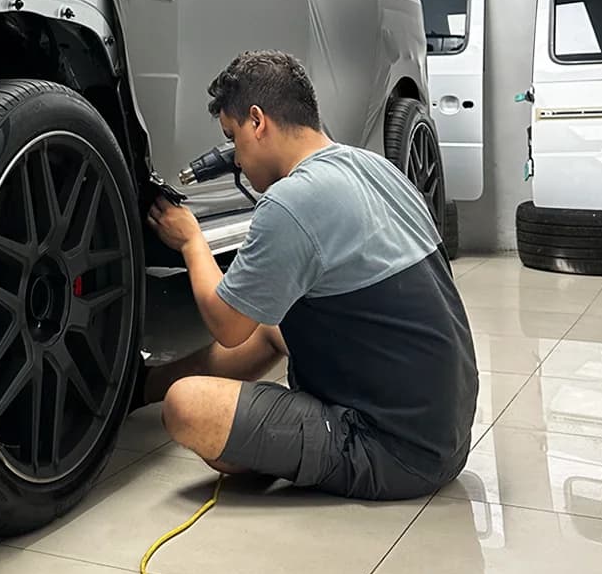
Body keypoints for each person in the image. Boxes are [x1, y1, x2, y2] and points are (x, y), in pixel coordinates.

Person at [141, 50, 479, 499]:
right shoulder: (376, 169)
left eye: (233, 137)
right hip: (445, 433)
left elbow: (226, 327)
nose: (236, 159)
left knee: (187, 407)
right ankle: (142, 387)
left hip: (393, 451)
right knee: (273, 328)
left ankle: (278, 444)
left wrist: (191, 242)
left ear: (257, 121)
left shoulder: (292, 201)